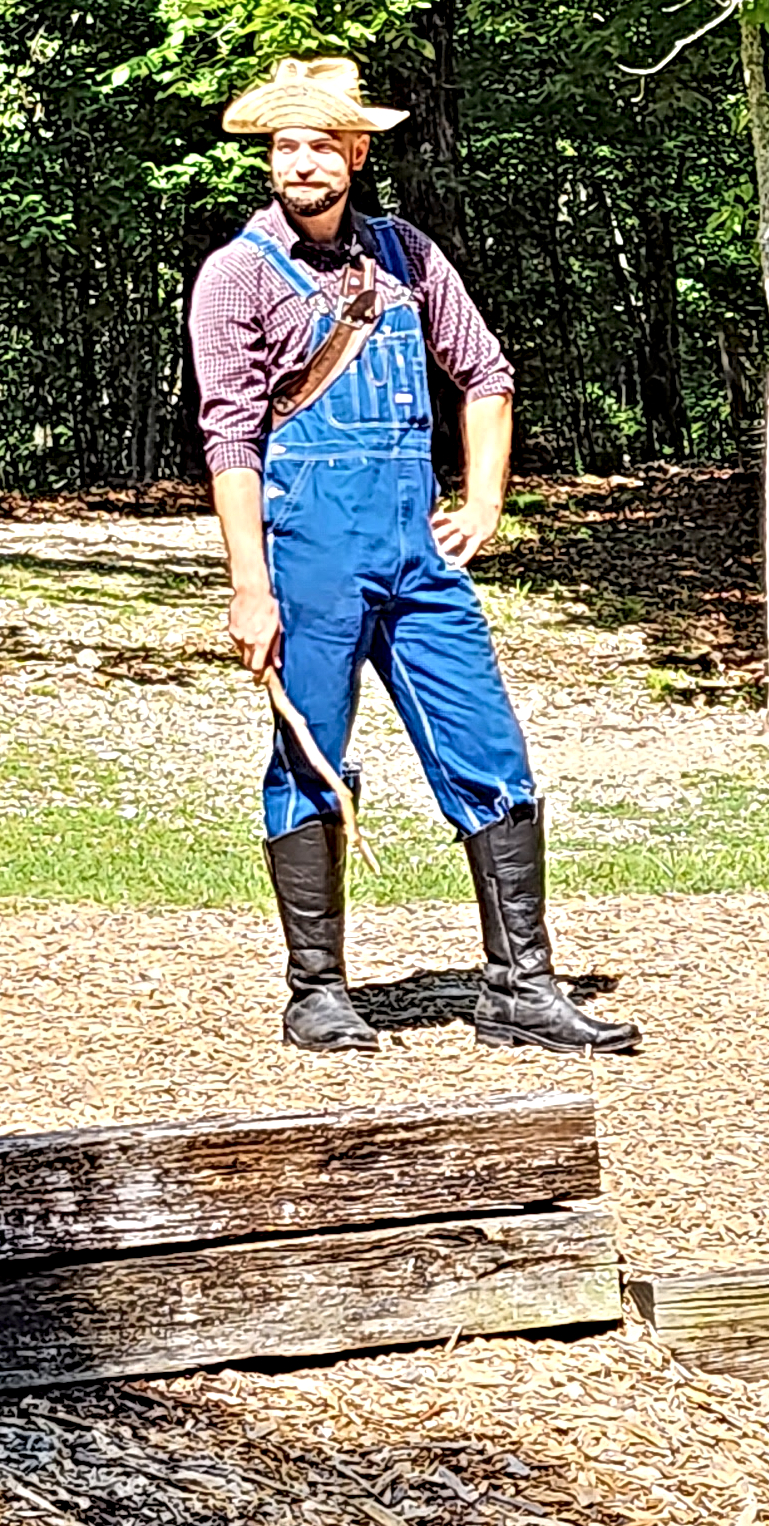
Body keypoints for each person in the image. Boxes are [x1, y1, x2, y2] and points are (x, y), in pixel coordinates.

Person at [188, 54, 638, 1058]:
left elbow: (485, 372)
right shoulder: (235, 275)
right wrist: (247, 585)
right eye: (283, 144)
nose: (299, 162)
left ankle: (519, 986)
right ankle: (315, 991)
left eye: (319, 143)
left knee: (490, 747)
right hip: (305, 549)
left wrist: (483, 498)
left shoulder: (404, 254)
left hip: (415, 550)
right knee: (309, 753)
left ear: (354, 151)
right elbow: (229, 439)